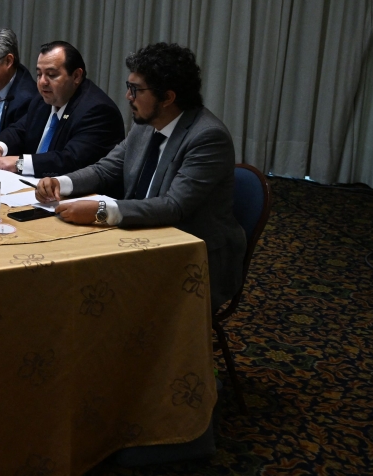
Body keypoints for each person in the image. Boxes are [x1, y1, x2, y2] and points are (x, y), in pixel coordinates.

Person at [35, 41, 246, 309]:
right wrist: (61, 183)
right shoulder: (146, 124)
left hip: (190, 257)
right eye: (128, 86)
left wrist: (101, 210)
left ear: (167, 97)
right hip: (141, 237)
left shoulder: (206, 137)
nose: (128, 97)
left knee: (83, 290)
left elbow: (174, 206)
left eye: (136, 90)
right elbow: (106, 169)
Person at [0, 41, 124, 177]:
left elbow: (70, 160)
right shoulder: (43, 100)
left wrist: (19, 163)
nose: (42, 82)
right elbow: (19, 130)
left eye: (51, 75)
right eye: (39, 74)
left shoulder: (98, 111)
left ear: (77, 76)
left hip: (79, 198)